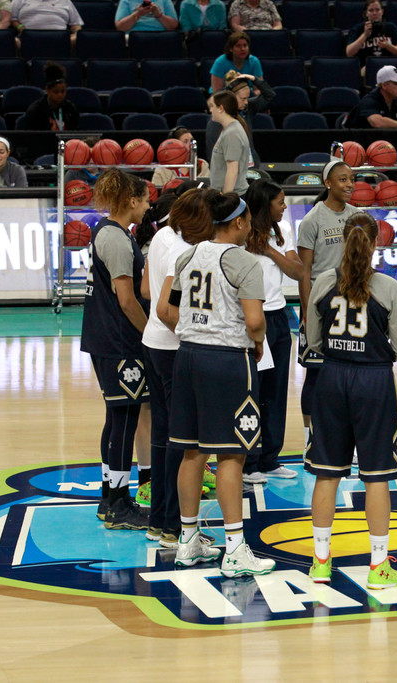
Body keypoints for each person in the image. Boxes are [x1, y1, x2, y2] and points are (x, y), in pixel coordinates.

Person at [164, 189, 275, 577]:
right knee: (231, 455)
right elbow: (255, 321)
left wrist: (196, 329)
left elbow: (169, 309)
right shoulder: (244, 262)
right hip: (227, 361)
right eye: (249, 222)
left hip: (187, 357)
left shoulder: (187, 255)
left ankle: (187, 540)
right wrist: (258, 342)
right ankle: (235, 549)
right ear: (239, 222)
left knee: (192, 451)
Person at [304, 213, 397, 589]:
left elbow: (313, 341)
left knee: (327, 473)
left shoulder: (322, 282)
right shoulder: (388, 287)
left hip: (331, 378)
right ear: (376, 243)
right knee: (376, 477)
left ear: (342, 240)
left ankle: (320, 562)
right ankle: (378, 567)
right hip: (374, 382)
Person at [81, 168, 151, 531]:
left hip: (105, 338)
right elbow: (126, 300)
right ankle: (119, 504)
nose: (148, 206)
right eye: (145, 200)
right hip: (120, 343)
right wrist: (149, 331)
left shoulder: (106, 231)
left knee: (116, 418)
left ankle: (109, 499)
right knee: (124, 420)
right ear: (132, 200)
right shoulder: (118, 240)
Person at [142, 184, 211, 548]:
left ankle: (158, 522)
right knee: (180, 440)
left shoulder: (161, 236)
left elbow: (146, 289)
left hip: (153, 343)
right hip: (171, 348)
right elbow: (165, 308)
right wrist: (193, 335)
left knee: (161, 437)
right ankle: (173, 526)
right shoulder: (184, 251)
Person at [242, 179, 303, 484]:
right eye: (280, 202)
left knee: (276, 393)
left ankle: (269, 459)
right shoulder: (239, 232)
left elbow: (297, 271)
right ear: (264, 205)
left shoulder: (283, 230)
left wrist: (267, 249)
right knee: (251, 392)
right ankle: (247, 462)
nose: (284, 206)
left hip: (277, 317)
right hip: (249, 316)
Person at [296, 160, 361, 444]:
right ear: (328, 184)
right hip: (322, 304)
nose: (349, 184)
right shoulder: (312, 220)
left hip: (353, 303)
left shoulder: (358, 216)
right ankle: (310, 437)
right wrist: (308, 312)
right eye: (343, 179)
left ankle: (348, 436)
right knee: (316, 373)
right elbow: (304, 272)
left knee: (352, 373)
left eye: (351, 179)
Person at [206, 71, 273, 165]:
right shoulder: (218, 120)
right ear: (231, 97)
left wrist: (253, 79)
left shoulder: (248, 108)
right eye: (243, 99)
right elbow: (213, 152)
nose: (246, 102)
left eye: (247, 98)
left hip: (251, 166)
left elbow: (269, 95)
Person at [346, 65, 397, 129]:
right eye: (396, 83)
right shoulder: (369, 101)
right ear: (384, 85)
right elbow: (377, 122)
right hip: (357, 139)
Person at [208, 89, 251, 194]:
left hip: (234, 195)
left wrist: (226, 198)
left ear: (221, 108)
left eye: (212, 106)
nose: (210, 110)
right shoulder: (228, 129)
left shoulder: (232, 133)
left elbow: (232, 170)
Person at [19, 62, 79, 132]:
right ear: (47, 90)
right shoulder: (36, 110)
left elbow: (76, 132)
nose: (60, 95)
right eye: (56, 92)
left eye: (63, 91)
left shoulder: (70, 108)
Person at [346, 0, 397, 70]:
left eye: (377, 10)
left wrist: (388, 46)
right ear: (366, 13)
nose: (374, 13)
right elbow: (349, 53)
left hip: (388, 66)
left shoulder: (390, 27)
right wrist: (364, 35)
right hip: (366, 67)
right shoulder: (358, 29)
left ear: (382, 12)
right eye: (371, 10)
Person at [10, 0, 82, 40]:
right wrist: (21, 28)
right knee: (13, 41)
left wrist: (75, 35)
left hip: (60, 38)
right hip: (28, 37)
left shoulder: (66, 1)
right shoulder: (19, 0)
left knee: (75, 39)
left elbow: (76, 24)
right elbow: (13, 19)